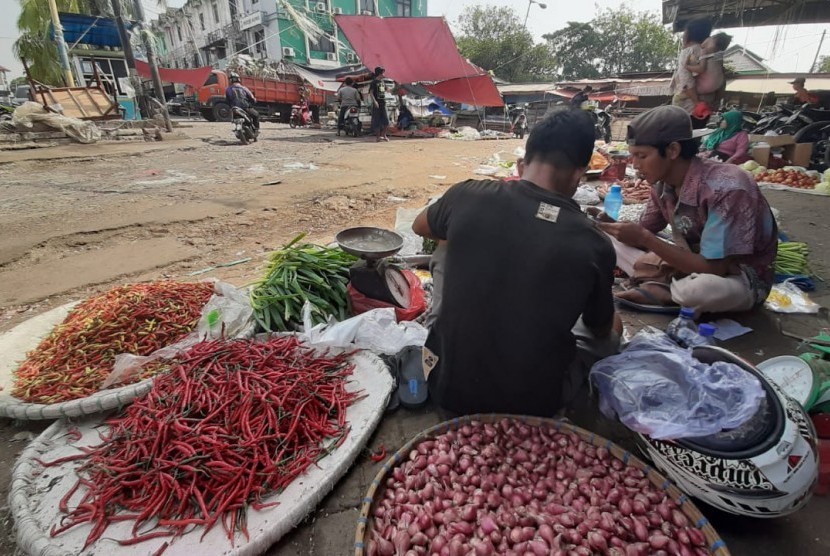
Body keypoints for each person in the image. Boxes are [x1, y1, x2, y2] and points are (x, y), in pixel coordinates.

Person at [412, 108, 622, 417]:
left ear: (523, 163)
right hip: (536, 405)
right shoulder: (594, 241)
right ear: (580, 174)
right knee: (613, 323)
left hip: (446, 390)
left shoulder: (468, 194)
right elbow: (600, 329)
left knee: (447, 239)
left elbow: (420, 226)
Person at [600, 106, 777, 315]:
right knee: (606, 240)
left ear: (673, 151)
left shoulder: (727, 187)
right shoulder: (662, 185)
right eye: (633, 156)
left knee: (698, 291)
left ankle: (665, 292)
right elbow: (641, 233)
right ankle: (663, 286)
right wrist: (610, 225)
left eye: (642, 156)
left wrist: (646, 239)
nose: (635, 165)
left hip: (735, 277)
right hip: (688, 264)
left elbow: (715, 268)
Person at [671, 19, 712, 125]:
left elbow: (686, 80)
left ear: (688, 34)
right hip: (707, 106)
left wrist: (696, 102)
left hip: (689, 108)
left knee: (684, 137)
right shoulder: (708, 53)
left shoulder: (688, 52)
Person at [687, 32, 733, 110]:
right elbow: (722, 73)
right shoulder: (719, 56)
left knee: (685, 82)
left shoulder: (705, 51)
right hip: (716, 86)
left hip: (703, 87)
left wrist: (687, 66)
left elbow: (701, 68)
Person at [368, 66, 389, 142]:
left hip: (383, 103)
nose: (384, 74)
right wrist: (375, 101)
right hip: (377, 103)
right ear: (379, 74)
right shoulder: (373, 82)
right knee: (377, 120)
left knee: (386, 121)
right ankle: (378, 137)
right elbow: (371, 93)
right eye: (383, 73)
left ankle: (383, 134)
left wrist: (398, 87)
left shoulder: (383, 82)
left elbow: (388, 90)